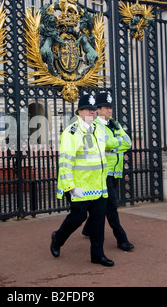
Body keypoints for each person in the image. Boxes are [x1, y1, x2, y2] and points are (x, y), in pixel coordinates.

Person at [50, 92, 114, 267]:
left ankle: (97, 254)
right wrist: (70, 186)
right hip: (80, 186)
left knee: (98, 219)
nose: (91, 113)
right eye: (87, 110)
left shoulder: (99, 129)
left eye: (93, 110)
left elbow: (105, 152)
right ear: (79, 112)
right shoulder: (71, 132)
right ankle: (58, 238)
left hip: (99, 186)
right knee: (78, 217)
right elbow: (65, 162)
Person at [81, 91, 134, 252]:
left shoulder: (115, 124)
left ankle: (88, 228)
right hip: (103, 171)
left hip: (116, 170)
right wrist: (117, 142)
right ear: (98, 109)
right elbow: (103, 144)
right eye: (106, 108)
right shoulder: (95, 125)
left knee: (104, 205)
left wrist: (114, 142)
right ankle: (121, 238)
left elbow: (128, 143)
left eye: (110, 108)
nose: (109, 111)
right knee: (112, 206)